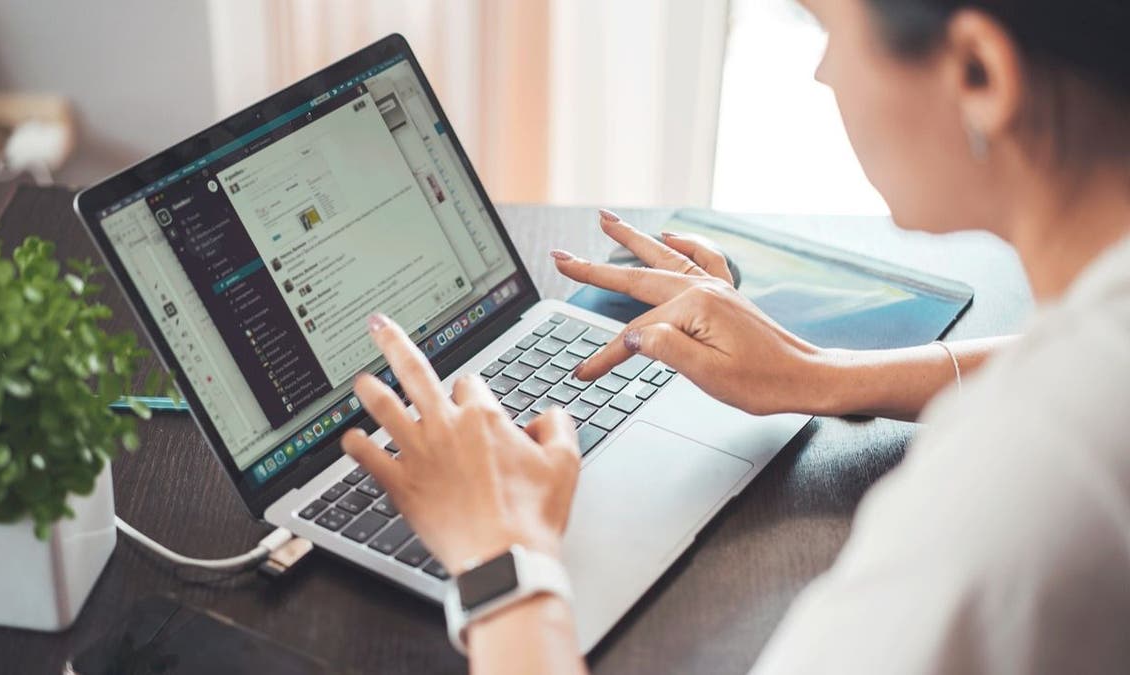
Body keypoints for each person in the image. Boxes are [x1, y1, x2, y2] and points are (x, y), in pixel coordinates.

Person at [342, 0, 1130, 672]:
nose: (824, 74)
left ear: (979, 74)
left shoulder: (1013, 490)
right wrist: (823, 372)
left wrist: (499, 556)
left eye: (831, 28)